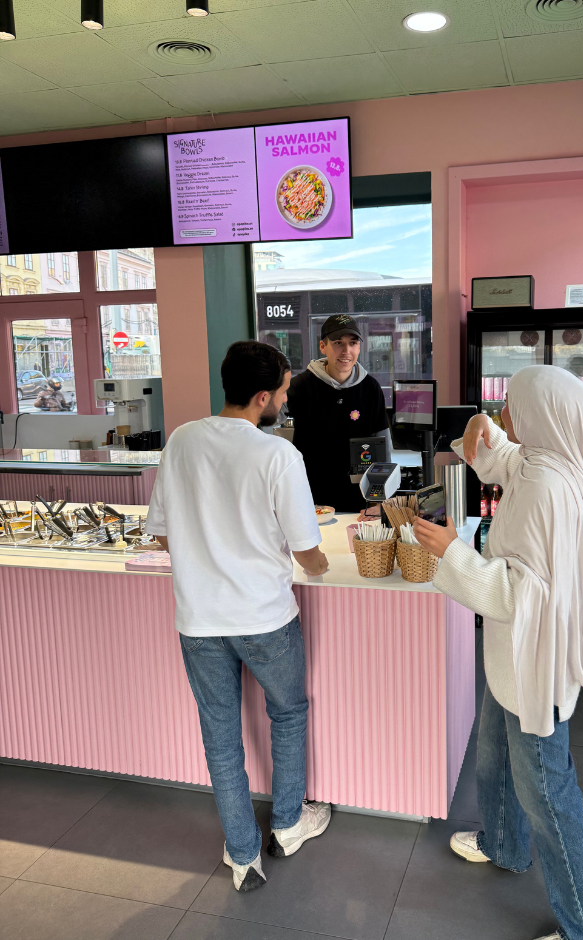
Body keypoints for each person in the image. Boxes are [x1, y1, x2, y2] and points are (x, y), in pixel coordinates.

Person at [413, 365, 583, 940]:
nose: (506, 412)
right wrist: (483, 430)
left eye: (511, 405)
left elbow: (516, 593)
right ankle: (503, 843)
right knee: (493, 757)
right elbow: (507, 460)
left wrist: (451, 552)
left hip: (533, 665)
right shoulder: (555, 462)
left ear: (544, 418)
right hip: (518, 660)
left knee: (551, 800)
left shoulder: (548, 491)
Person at [146, 341, 332, 893]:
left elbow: (160, 534)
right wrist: (321, 560)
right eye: (283, 391)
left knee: (220, 735)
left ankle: (242, 856)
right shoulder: (277, 455)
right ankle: (289, 823)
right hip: (265, 618)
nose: (286, 398)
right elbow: (308, 553)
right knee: (289, 713)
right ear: (260, 397)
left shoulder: (181, 440)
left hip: (199, 620)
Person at [286, 314, 389, 512]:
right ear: (323, 347)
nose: (347, 351)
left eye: (353, 343)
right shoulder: (301, 386)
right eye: (338, 343)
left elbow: (383, 444)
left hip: (359, 500)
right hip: (310, 498)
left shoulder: (370, 388)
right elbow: (274, 426)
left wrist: (380, 499)